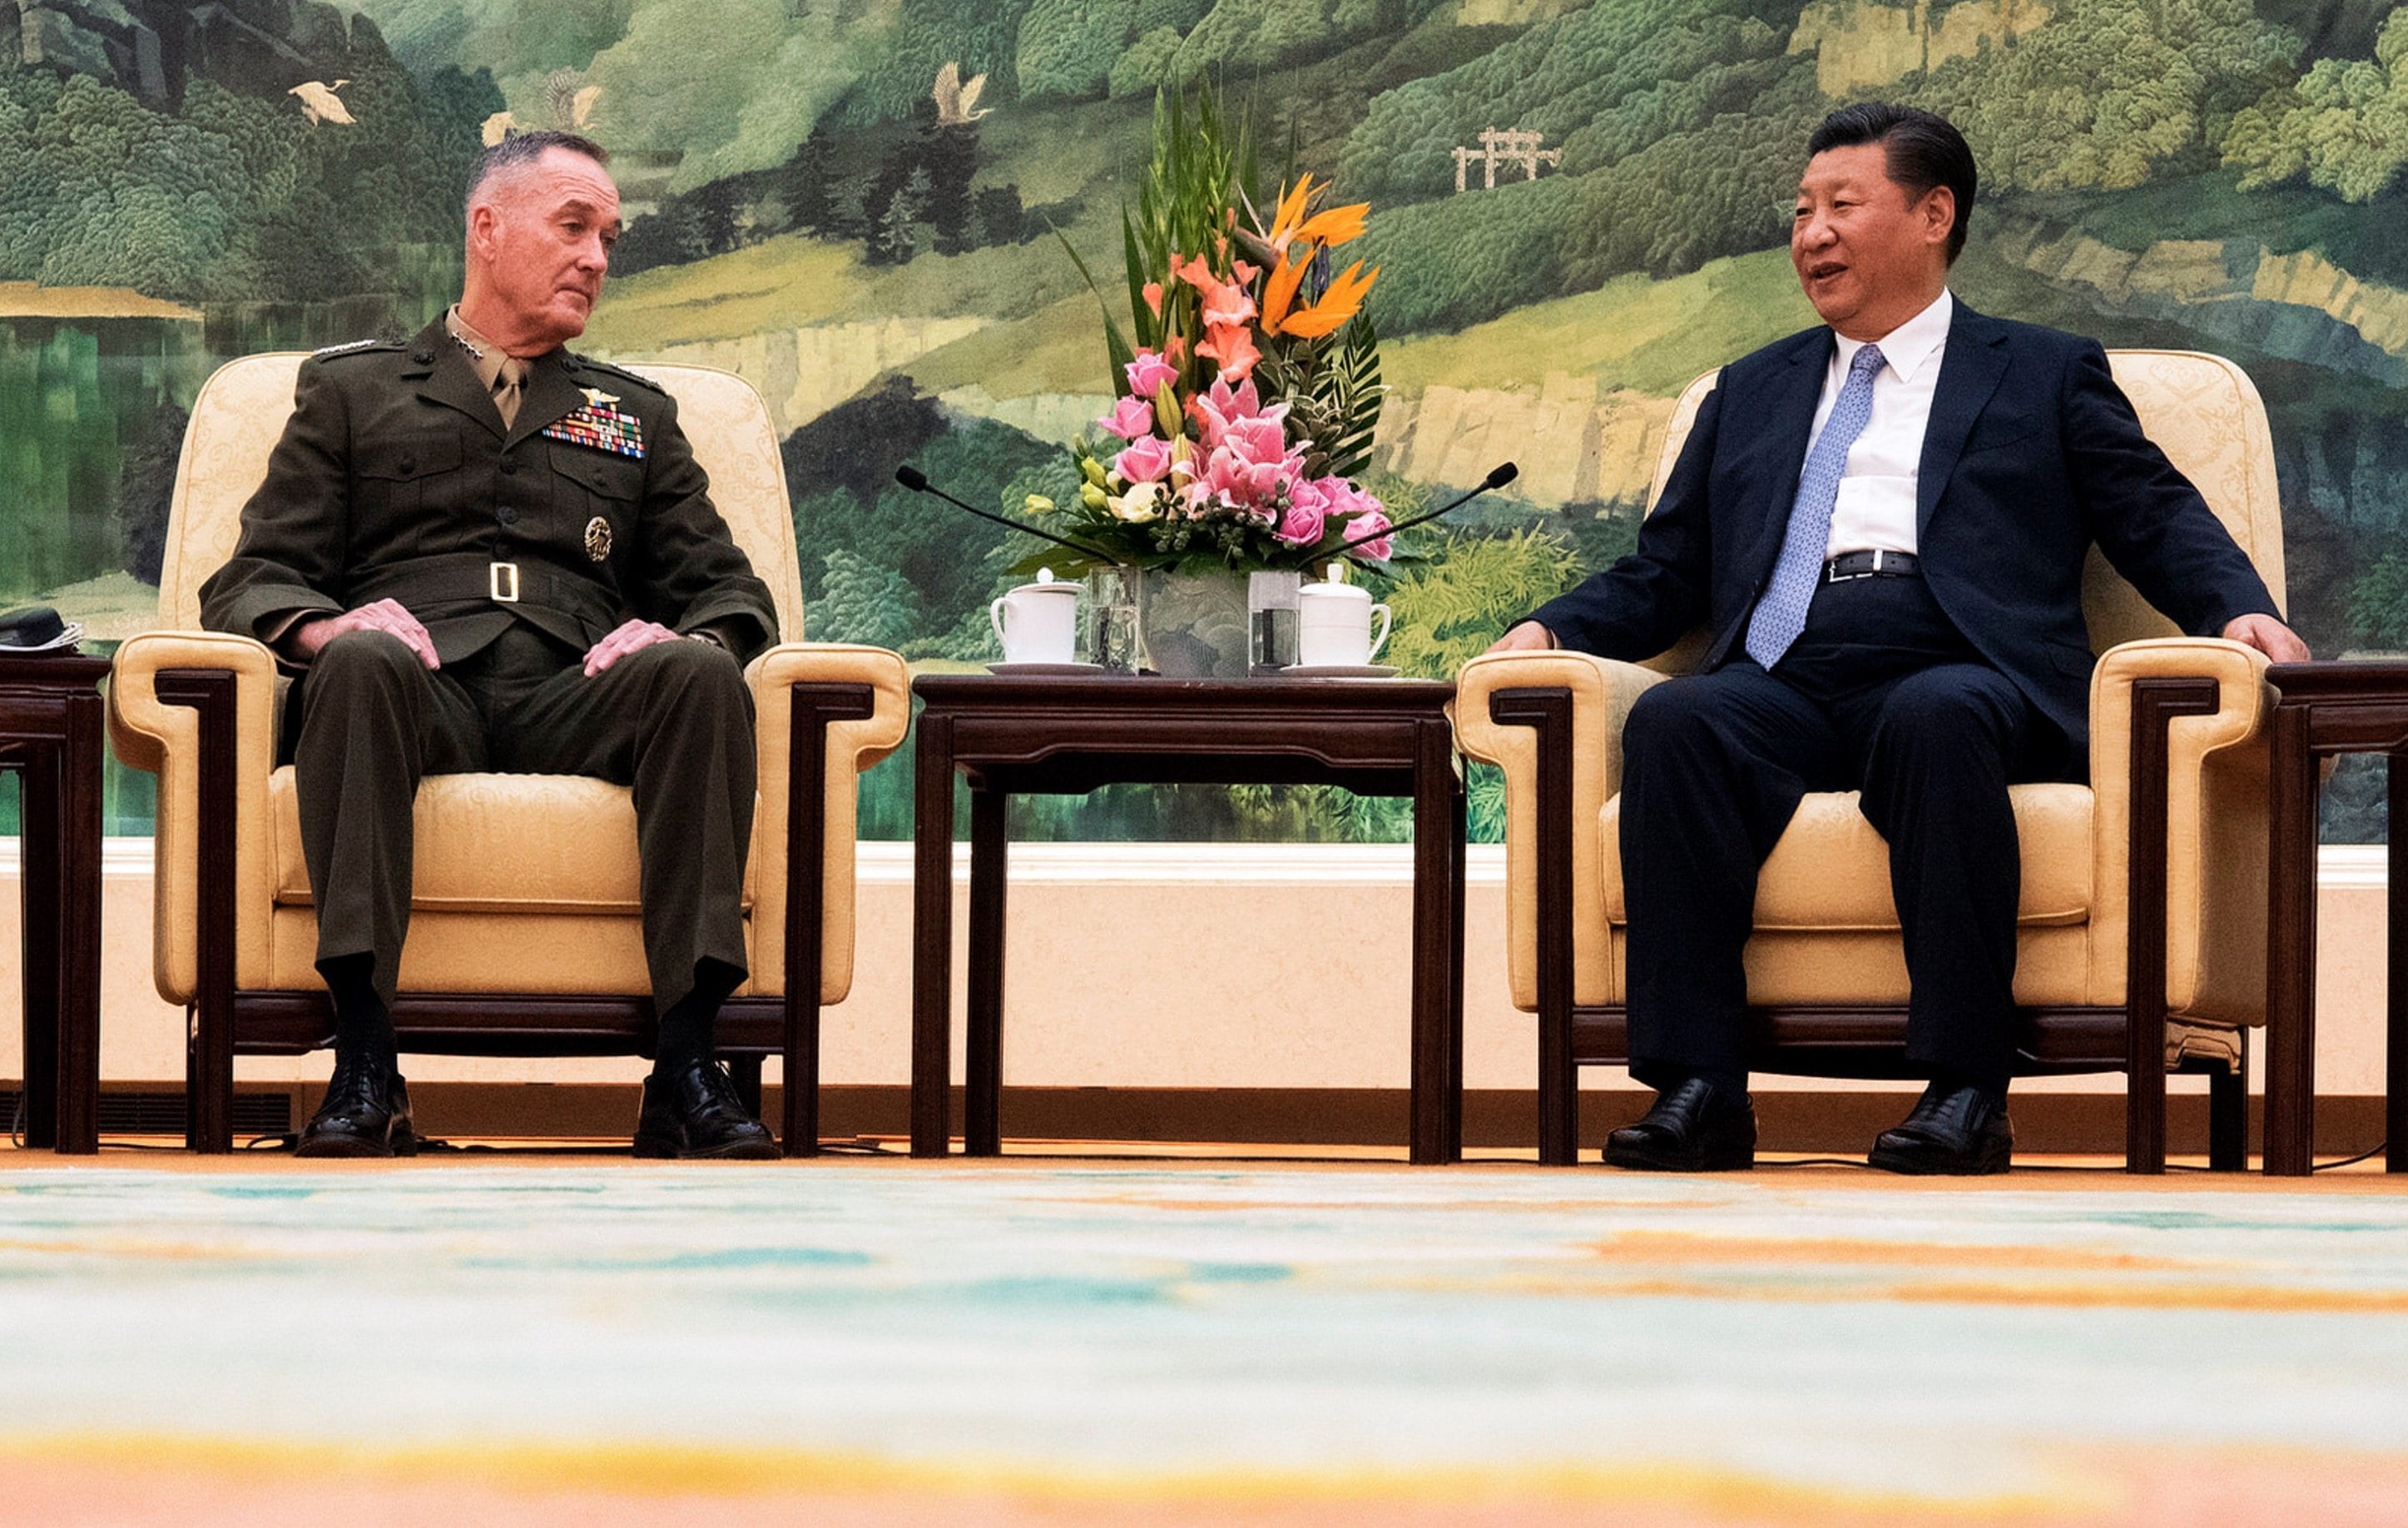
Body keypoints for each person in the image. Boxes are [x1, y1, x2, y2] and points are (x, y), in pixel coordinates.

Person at [1487, 102, 2308, 1175]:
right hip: (1784, 664)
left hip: (1962, 663)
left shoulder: (2041, 371)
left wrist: (2236, 608)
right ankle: (1698, 1089)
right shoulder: (1750, 390)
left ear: (1931, 215)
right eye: (1799, 210)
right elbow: (1669, 571)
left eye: (1840, 205)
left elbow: (2150, 512)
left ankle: (1965, 1089)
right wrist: (1549, 626)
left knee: (1937, 717)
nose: (1810, 233)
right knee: (1680, 720)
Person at [201, 131, 784, 1159]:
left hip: (577, 690)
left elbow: (729, 593)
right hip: (419, 690)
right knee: (360, 661)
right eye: (573, 227)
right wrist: (329, 625)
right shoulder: (354, 392)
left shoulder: (632, 416)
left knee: (698, 671)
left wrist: (680, 628)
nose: (597, 257)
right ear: (487, 228)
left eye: (608, 236)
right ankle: (366, 1064)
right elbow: (251, 577)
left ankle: (687, 1068)